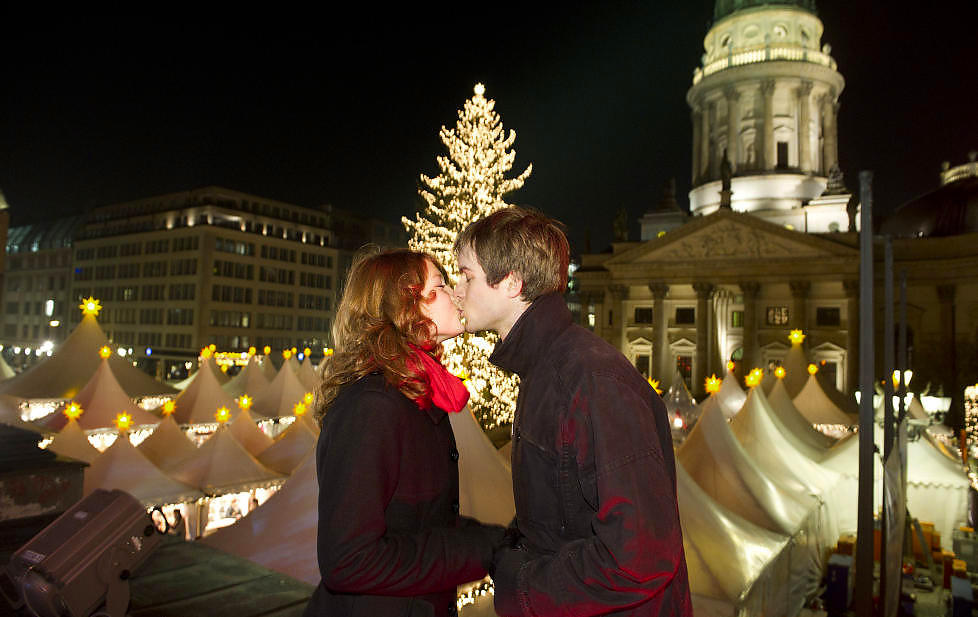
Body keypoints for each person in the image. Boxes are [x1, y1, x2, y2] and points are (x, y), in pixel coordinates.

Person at [454, 207, 691, 617]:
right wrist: (508, 548)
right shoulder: (549, 369)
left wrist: (522, 586)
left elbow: (641, 555)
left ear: (511, 282)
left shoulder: (588, 379)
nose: (457, 289)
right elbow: (562, 513)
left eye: (467, 276)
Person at [303, 248, 505, 617]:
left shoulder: (413, 394)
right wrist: (480, 549)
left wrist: (493, 540)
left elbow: (416, 521)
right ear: (406, 307)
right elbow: (348, 559)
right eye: (441, 286)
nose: (457, 293)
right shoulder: (373, 407)